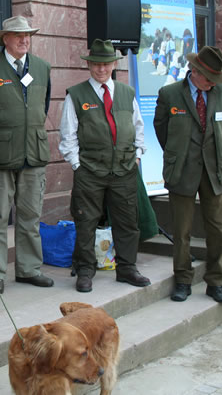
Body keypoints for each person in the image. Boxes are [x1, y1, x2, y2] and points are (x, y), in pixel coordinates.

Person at [59, 39, 150, 292]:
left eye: (106, 64)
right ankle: (85, 270)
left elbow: (138, 127)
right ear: (89, 66)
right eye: (97, 64)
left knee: (127, 222)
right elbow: (68, 134)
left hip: (124, 170)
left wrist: (137, 156)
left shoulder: (126, 93)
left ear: (114, 65)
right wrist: (77, 164)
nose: (101, 69)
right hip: (89, 171)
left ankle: (127, 268)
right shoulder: (76, 95)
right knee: (85, 221)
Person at [0, 15, 54, 294]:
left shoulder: (42, 67)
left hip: (34, 153)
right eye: (18, 35)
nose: (24, 39)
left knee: (31, 215)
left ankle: (29, 269)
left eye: (27, 35)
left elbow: (43, 106)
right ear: (4, 38)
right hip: (0, 156)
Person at [153, 45, 222, 304]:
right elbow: (161, 129)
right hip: (182, 170)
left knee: (219, 231)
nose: (212, 84)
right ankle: (183, 280)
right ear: (194, 71)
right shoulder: (169, 94)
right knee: (182, 231)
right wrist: (178, 153)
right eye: (209, 78)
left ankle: (216, 282)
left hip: (215, 170)